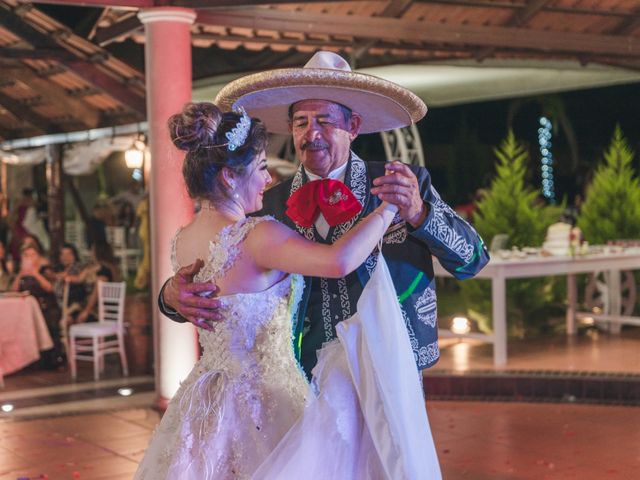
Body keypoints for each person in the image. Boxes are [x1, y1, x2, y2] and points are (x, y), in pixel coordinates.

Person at [159, 51, 490, 379]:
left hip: (392, 365)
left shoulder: (400, 185)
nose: (311, 133)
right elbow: (223, 273)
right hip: (306, 374)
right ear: (290, 129)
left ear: (353, 126)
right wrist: (170, 297)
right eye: (301, 122)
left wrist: (419, 214)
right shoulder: (267, 203)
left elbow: (473, 259)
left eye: (325, 121)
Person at [135, 103, 401, 478]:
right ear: (229, 177)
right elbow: (337, 261)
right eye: (261, 167)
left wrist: (167, 293)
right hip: (265, 399)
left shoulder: (183, 239)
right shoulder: (256, 236)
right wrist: (389, 209)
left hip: (206, 396)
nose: (268, 178)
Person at [11, 242, 63, 368]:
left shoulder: (45, 269)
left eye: (32, 255)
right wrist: (20, 275)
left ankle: (54, 358)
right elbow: (13, 290)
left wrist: (35, 273)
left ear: (38, 256)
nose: (30, 258)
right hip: (27, 310)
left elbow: (50, 288)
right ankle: (28, 359)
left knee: (48, 322)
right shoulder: (22, 273)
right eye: (26, 255)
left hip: (47, 307)